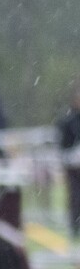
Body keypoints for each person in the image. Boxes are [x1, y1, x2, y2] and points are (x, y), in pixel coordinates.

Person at [57, 82, 80, 236]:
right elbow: (63, 142)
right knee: (75, 195)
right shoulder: (67, 119)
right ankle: (75, 225)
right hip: (73, 164)